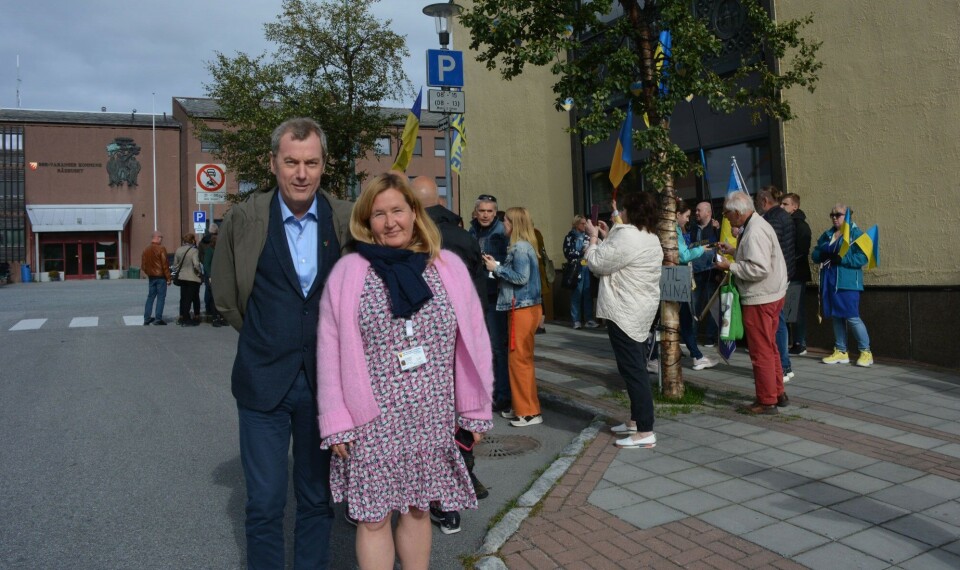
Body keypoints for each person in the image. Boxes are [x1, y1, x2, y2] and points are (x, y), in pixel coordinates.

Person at [317, 173, 493, 570]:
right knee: (374, 516)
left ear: (415, 214)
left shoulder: (445, 267)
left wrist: (474, 410)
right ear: (366, 221)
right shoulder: (350, 272)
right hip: (371, 420)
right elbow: (329, 350)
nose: (389, 221)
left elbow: (473, 344)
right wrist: (336, 421)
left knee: (416, 510)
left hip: (431, 414)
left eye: (397, 210)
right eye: (378, 214)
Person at [212, 117, 353, 569]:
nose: (301, 173)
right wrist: (269, 338)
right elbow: (228, 298)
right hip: (262, 382)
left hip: (325, 387)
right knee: (265, 503)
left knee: (316, 500)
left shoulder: (346, 218)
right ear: (272, 163)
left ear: (324, 165)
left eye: (311, 163)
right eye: (291, 162)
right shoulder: (244, 218)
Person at [410, 175, 489, 534]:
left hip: (424, 348)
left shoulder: (410, 238)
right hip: (464, 341)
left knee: (425, 424)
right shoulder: (464, 237)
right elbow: (479, 290)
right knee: (458, 421)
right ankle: (451, 500)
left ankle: (427, 498)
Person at [584, 192, 663, 448]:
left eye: (624, 209)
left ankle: (645, 430)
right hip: (640, 309)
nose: (621, 213)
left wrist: (594, 236)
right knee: (634, 365)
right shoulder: (649, 235)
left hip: (624, 310)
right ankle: (635, 420)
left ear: (631, 211)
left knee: (633, 370)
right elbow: (620, 256)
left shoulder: (628, 235)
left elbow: (596, 263)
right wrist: (609, 236)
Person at [715, 192, 789, 415]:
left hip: (760, 297)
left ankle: (767, 401)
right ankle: (777, 393)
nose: (726, 219)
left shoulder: (755, 230)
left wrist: (730, 267)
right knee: (770, 346)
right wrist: (734, 252)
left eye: (727, 213)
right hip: (771, 294)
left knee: (761, 350)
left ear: (738, 212)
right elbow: (756, 257)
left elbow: (758, 268)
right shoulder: (757, 224)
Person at [483, 207, 543, 427]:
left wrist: (495, 269)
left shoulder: (519, 247)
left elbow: (520, 278)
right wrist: (497, 266)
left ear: (514, 224)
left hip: (521, 308)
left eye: (506, 221)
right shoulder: (524, 246)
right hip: (523, 307)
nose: (503, 225)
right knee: (519, 360)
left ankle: (528, 412)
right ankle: (522, 408)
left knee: (520, 362)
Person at [811, 204, 874, 367]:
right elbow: (815, 253)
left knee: (852, 317)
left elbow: (863, 257)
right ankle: (841, 351)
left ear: (847, 216)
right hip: (830, 281)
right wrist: (821, 254)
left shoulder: (856, 234)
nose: (833, 217)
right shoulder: (828, 234)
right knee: (836, 316)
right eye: (831, 214)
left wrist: (843, 259)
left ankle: (866, 351)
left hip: (847, 283)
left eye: (838, 214)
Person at [469, 194, 511, 412]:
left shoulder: (501, 232)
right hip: (477, 295)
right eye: (481, 211)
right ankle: (489, 391)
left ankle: (503, 395)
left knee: (497, 347)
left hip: (495, 297)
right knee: (481, 348)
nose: (485, 215)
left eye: (489, 211)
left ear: (495, 213)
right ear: (476, 212)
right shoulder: (472, 230)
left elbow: (507, 265)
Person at [756, 187, 796, 382]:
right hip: (784, 273)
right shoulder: (782, 215)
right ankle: (783, 365)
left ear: (765, 200)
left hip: (777, 276)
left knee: (777, 322)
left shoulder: (772, 219)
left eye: (758, 199)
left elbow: (771, 249)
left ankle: (783, 366)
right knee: (778, 321)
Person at [674, 200, 718, 371]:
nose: (688, 220)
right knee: (683, 316)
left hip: (680, 276)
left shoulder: (676, 228)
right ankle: (696, 356)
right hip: (676, 277)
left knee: (684, 315)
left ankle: (694, 353)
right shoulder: (675, 230)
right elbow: (683, 255)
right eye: (686, 216)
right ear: (677, 215)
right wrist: (701, 249)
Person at [781, 193, 811, 355]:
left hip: (795, 274)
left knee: (795, 309)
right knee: (786, 309)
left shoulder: (800, 226)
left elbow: (802, 250)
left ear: (795, 207)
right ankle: (788, 341)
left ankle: (800, 342)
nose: (782, 207)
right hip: (785, 273)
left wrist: (787, 264)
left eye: (785, 204)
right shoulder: (786, 224)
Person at [691, 201, 721, 344]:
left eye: (699, 210)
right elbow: (689, 247)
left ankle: (710, 337)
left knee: (711, 304)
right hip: (696, 272)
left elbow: (722, 246)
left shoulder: (716, 228)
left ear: (708, 212)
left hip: (710, 271)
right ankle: (691, 336)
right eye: (695, 210)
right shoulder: (693, 228)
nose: (696, 213)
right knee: (694, 305)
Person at [563, 215, 598, 329]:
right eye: (582, 223)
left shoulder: (588, 236)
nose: (585, 225)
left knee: (588, 293)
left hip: (587, 267)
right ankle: (576, 320)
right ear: (576, 224)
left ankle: (589, 319)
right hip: (576, 267)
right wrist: (580, 252)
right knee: (576, 293)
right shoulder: (570, 237)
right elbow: (567, 253)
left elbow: (593, 249)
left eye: (585, 223)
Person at [141, 231, 171, 325]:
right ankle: (158, 318)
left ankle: (147, 318)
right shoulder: (161, 249)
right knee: (161, 297)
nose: (162, 239)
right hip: (161, 277)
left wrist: (149, 272)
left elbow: (143, 265)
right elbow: (165, 264)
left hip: (151, 277)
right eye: (161, 237)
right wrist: (168, 278)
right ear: (157, 237)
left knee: (150, 297)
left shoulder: (146, 249)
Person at [173, 233, 202, 327]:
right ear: (192, 240)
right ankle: (187, 318)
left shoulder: (178, 250)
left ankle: (182, 316)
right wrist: (199, 272)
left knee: (183, 297)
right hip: (192, 277)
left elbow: (175, 265)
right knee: (190, 298)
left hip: (182, 277)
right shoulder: (194, 251)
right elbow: (196, 264)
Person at [200, 225, 225, 326]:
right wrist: (210, 275)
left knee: (220, 298)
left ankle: (221, 317)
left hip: (220, 276)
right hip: (212, 277)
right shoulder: (210, 251)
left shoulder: (220, 250)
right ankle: (215, 318)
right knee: (214, 298)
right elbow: (206, 264)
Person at [533, 226, 554, 333]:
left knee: (538, 298)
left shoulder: (534, 233)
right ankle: (540, 325)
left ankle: (540, 325)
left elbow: (538, 251)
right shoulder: (536, 232)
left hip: (536, 270)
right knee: (539, 298)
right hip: (537, 270)